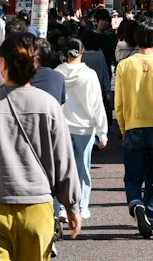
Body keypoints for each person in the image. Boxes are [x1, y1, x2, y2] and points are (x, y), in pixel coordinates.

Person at [0, 31, 82, 261]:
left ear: (2, 63)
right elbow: (64, 161)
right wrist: (72, 205)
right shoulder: (49, 105)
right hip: (36, 207)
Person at [113, 22, 153, 238]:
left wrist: (123, 127)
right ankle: (150, 216)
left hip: (133, 125)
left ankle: (136, 203)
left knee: (132, 177)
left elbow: (119, 103)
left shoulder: (124, 65)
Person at [58, 39, 108, 219]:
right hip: (85, 128)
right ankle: (82, 205)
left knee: (62, 169)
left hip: (61, 127)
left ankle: (62, 207)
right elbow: (97, 104)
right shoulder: (89, 75)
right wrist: (103, 132)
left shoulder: (57, 73)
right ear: (82, 52)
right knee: (83, 169)